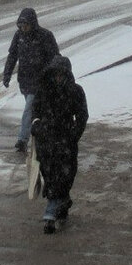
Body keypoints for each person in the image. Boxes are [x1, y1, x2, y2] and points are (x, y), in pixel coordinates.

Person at [32, 55, 89, 233]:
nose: (57, 78)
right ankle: (56, 206)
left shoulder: (75, 91)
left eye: (61, 74)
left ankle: (57, 205)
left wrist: (73, 135)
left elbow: (82, 115)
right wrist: (36, 126)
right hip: (46, 139)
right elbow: (35, 111)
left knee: (65, 174)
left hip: (65, 139)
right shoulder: (43, 91)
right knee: (49, 174)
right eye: (55, 74)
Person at [3, 8, 60, 152]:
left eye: (26, 25)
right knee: (35, 111)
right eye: (21, 25)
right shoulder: (19, 36)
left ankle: (22, 140)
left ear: (32, 23)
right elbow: (12, 56)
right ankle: (45, 134)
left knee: (29, 109)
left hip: (41, 81)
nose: (23, 28)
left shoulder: (45, 36)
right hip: (24, 80)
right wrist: (7, 74)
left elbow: (55, 58)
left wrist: (51, 75)